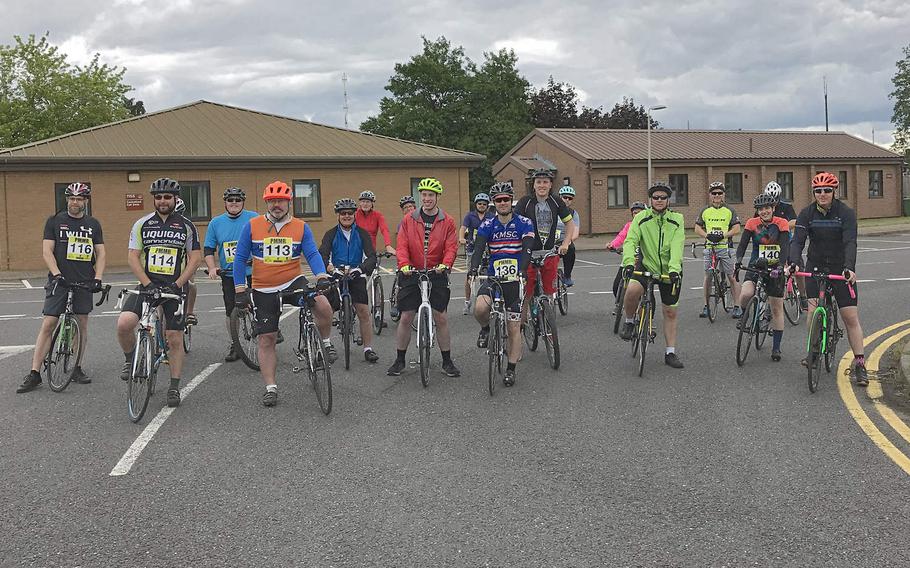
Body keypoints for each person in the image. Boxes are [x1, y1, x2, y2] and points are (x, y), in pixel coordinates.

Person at [232, 181, 334, 407]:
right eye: (272, 201)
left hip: (293, 280)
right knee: (267, 338)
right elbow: (239, 259)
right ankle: (271, 387)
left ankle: (325, 344)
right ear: (267, 202)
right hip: (264, 287)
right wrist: (240, 289)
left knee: (324, 306)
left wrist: (320, 276)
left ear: (289, 202)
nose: (276, 205)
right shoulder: (252, 225)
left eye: (281, 201)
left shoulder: (301, 226)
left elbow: (312, 253)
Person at [116, 178, 201, 408]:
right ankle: (130, 359)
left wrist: (179, 283)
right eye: (159, 197)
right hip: (147, 286)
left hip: (175, 288)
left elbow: (195, 258)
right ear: (154, 199)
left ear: (175, 199)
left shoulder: (186, 226)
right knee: (124, 323)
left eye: (167, 197)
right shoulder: (142, 224)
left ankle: (174, 386)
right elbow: (133, 256)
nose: (163, 201)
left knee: (174, 338)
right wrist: (146, 283)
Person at [17, 183, 106, 393]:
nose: (75, 202)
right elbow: (47, 251)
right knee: (49, 323)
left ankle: (77, 367)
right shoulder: (55, 221)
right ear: (67, 200)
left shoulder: (93, 224)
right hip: (60, 280)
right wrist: (56, 274)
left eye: (79, 199)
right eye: (71, 198)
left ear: (86, 201)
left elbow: (100, 253)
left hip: (84, 280)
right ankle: (35, 373)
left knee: (82, 324)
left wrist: (98, 278)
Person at [788, 171, 867, 386]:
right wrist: (793, 263)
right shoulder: (807, 213)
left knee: (850, 317)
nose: (822, 194)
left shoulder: (846, 213)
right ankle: (813, 352)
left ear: (834, 191)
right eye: (818, 191)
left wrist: (849, 268)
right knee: (813, 312)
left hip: (840, 268)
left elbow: (850, 242)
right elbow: (797, 242)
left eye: (827, 190)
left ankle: (860, 364)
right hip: (815, 266)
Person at [387, 177, 460, 377]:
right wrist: (404, 265)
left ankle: (447, 361)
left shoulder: (448, 221)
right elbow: (401, 245)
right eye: (424, 195)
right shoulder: (409, 219)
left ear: (437, 197)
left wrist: (446, 264)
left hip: (437, 272)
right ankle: (399, 360)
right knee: (406, 316)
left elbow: (451, 247)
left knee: (441, 317)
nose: (427, 198)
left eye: (431, 195)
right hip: (412, 271)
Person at [469, 182, 534, 386]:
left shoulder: (524, 222)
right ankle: (486, 328)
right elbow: (479, 248)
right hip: (494, 278)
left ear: (511, 201)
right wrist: (473, 268)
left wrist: (523, 269)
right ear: (493, 203)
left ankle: (511, 369)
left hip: (514, 280)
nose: (503, 202)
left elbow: (527, 249)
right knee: (479, 308)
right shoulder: (487, 225)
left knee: (514, 326)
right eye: (499, 200)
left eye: (506, 199)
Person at [618, 181, 686, 369]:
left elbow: (677, 244)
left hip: (669, 270)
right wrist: (629, 263)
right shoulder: (641, 218)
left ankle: (670, 352)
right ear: (651, 199)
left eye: (663, 197)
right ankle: (630, 321)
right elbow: (631, 241)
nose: (659, 200)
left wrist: (674, 269)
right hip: (646, 264)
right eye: (655, 197)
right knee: (631, 290)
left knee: (670, 311)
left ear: (668, 200)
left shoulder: (677, 219)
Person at [319, 198, 380, 364]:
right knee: (326, 310)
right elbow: (322, 255)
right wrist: (330, 268)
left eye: (350, 213)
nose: (346, 216)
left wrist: (360, 268)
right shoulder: (330, 234)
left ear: (354, 215)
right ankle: (325, 344)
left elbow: (371, 256)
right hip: (336, 275)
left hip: (356, 274)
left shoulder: (362, 233)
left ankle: (368, 349)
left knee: (363, 312)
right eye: (343, 213)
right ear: (338, 216)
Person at [203, 187, 259, 361]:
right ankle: (235, 343)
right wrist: (212, 268)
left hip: (254, 272)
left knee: (263, 303)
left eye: (237, 200)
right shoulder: (216, 223)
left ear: (243, 202)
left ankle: (270, 332)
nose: (234, 203)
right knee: (230, 311)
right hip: (229, 275)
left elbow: (264, 242)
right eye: (230, 200)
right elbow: (209, 249)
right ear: (225, 203)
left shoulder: (254, 218)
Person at [735, 194, 790, 361]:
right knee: (745, 295)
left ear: (773, 208)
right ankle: (747, 318)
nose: (764, 211)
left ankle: (776, 347)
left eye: (767, 208)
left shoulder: (781, 223)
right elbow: (743, 245)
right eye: (761, 209)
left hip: (775, 268)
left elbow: (785, 247)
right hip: (756, 265)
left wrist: (781, 266)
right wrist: (738, 261)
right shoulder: (752, 223)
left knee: (776, 308)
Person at [514, 169, 575, 307]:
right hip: (529, 253)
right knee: (526, 295)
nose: (542, 185)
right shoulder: (525, 202)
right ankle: (522, 325)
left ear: (550, 184)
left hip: (549, 253)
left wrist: (566, 243)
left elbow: (569, 223)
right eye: (539, 182)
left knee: (550, 293)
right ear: (533, 185)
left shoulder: (556, 201)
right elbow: (515, 223)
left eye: (545, 182)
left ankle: (548, 319)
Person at [694, 181, 742, 318]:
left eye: (719, 193)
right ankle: (705, 306)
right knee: (708, 276)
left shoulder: (730, 210)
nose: (717, 195)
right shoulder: (705, 210)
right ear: (710, 195)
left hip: (726, 247)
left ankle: (737, 306)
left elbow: (737, 228)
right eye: (714, 193)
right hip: (710, 247)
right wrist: (707, 235)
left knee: (732, 277)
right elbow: (697, 227)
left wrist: (724, 235)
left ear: (723, 194)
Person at [761, 180, 806, 310]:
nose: (772, 203)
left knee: (798, 268)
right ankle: (770, 301)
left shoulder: (786, 207)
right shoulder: (763, 207)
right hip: (770, 243)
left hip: (787, 240)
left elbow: (794, 221)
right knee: (769, 271)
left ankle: (803, 296)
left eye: (775, 200)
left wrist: (780, 225)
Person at [459, 192, 494, 314]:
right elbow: (463, 228)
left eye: (484, 204)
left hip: (487, 249)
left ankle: (488, 301)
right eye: (479, 204)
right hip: (472, 248)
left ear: (487, 206)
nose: (482, 206)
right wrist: (461, 238)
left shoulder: (491, 216)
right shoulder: (470, 216)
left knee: (490, 275)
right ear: (476, 204)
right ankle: (467, 302)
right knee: (470, 275)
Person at [606, 201, 647, 298]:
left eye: (640, 212)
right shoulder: (629, 226)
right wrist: (612, 245)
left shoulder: (649, 226)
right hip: (628, 260)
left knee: (646, 288)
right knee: (616, 287)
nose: (637, 215)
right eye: (635, 213)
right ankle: (623, 305)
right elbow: (621, 237)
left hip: (644, 261)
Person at [389, 195, 417, 320]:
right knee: (402, 279)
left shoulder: (420, 220)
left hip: (419, 256)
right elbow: (402, 243)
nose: (408, 209)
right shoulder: (403, 223)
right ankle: (397, 303)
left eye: (410, 206)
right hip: (406, 255)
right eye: (405, 207)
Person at [174, 197, 198, 327]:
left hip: (183, 265)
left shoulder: (187, 227)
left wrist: (191, 270)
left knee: (191, 284)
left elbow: (193, 253)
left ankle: (189, 312)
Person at [554, 185, 581, 286]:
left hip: (564, 241)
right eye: (565, 197)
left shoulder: (573, 214)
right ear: (560, 197)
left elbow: (575, 233)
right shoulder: (553, 210)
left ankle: (567, 276)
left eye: (570, 198)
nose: (567, 200)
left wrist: (567, 241)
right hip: (550, 241)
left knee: (571, 249)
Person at [355, 190, 396, 255]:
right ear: (360, 203)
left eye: (368, 202)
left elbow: (384, 230)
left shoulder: (378, 216)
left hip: (370, 251)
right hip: (355, 250)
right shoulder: (355, 215)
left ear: (372, 203)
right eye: (363, 201)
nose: (365, 204)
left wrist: (388, 245)